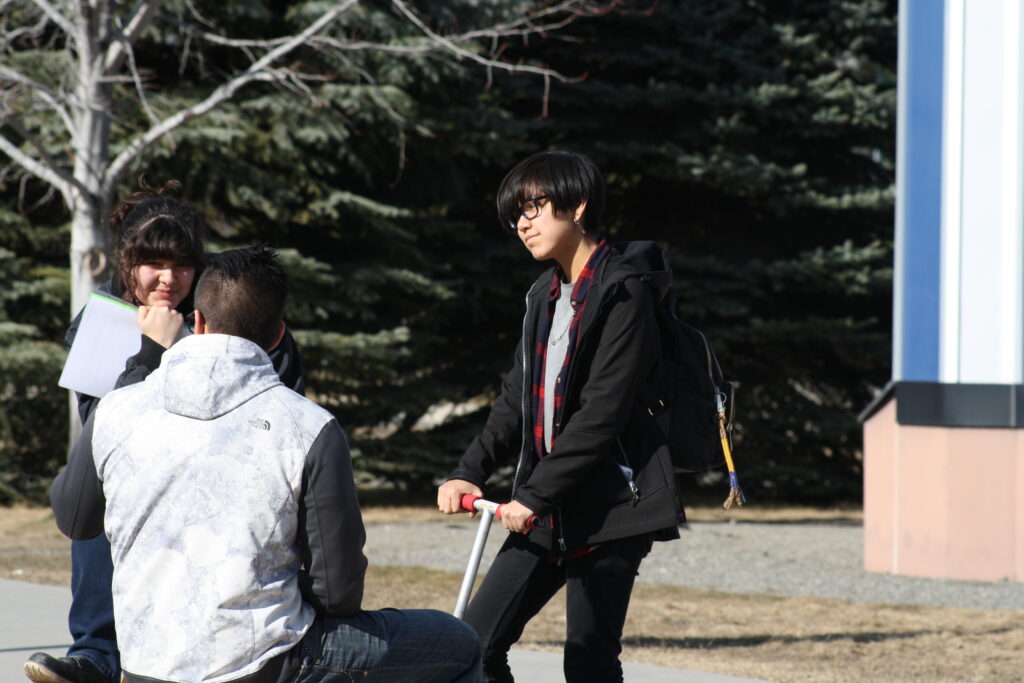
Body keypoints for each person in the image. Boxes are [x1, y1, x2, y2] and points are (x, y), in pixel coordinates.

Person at [47, 247, 482, 683]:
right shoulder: (309, 426)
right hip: (262, 665)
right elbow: (339, 590)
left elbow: (74, 517)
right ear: (278, 335)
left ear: (196, 322)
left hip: (144, 664)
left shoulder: (117, 408)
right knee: (458, 642)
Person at [25, 181, 305, 683]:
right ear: (127, 265)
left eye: (182, 265)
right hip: (144, 475)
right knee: (100, 499)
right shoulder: (103, 322)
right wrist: (153, 354)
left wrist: (186, 345)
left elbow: (281, 405)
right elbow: (104, 434)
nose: (168, 279)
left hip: (231, 476)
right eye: (154, 264)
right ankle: (95, 655)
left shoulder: (230, 309)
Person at [437, 150, 685, 682]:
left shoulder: (625, 292)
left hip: (613, 506)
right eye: (515, 215)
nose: (523, 224)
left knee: (589, 662)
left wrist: (531, 495)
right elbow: (515, 399)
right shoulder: (543, 296)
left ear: (577, 205)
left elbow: (603, 413)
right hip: (549, 507)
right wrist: (468, 470)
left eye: (535, 207)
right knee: (472, 647)